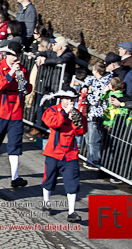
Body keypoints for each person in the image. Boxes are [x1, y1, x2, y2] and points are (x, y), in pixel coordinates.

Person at [0, 41, 32, 187]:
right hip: (0, 110)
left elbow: (28, 89)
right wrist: (11, 73)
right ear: (7, 54)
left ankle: (15, 177)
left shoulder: (23, 69)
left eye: (17, 56)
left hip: (16, 111)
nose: (15, 59)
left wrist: (24, 81)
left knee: (15, 143)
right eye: (12, 55)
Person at [40, 88, 86, 223]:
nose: (70, 102)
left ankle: (71, 212)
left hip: (70, 153)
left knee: (72, 182)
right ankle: (46, 203)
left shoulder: (76, 112)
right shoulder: (53, 110)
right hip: (54, 152)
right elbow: (53, 123)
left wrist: (77, 120)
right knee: (49, 179)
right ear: (62, 99)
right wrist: (65, 114)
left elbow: (81, 131)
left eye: (72, 100)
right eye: (67, 99)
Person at [81, 61, 112, 169]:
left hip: (97, 114)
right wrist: (85, 86)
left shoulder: (103, 83)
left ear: (96, 71)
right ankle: (90, 157)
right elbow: (88, 79)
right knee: (88, 138)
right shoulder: (94, 79)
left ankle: (95, 160)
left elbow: (95, 100)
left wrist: (88, 94)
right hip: (90, 113)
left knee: (93, 139)